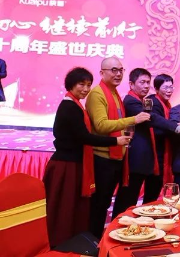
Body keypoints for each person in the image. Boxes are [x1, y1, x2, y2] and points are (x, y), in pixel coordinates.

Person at [43, 67, 130, 247]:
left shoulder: (75, 104)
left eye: (88, 85)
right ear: (71, 84)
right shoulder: (70, 106)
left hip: (72, 162)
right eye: (81, 84)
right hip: (66, 164)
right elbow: (84, 137)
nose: (85, 89)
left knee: (71, 207)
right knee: (65, 207)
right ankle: (61, 242)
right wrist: (115, 141)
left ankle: (70, 241)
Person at [113, 69, 180, 217]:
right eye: (142, 82)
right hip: (136, 159)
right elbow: (152, 118)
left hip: (145, 159)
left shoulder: (145, 101)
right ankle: (118, 226)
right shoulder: (132, 101)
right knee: (127, 201)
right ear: (131, 84)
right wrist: (179, 129)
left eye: (148, 82)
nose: (146, 86)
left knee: (140, 201)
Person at [86, 57, 150, 238]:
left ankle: (98, 239)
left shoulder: (114, 93)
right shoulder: (97, 94)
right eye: (113, 70)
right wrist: (134, 119)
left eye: (121, 70)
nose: (118, 74)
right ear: (102, 73)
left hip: (115, 157)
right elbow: (101, 125)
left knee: (105, 203)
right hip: (102, 158)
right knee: (99, 204)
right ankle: (92, 242)